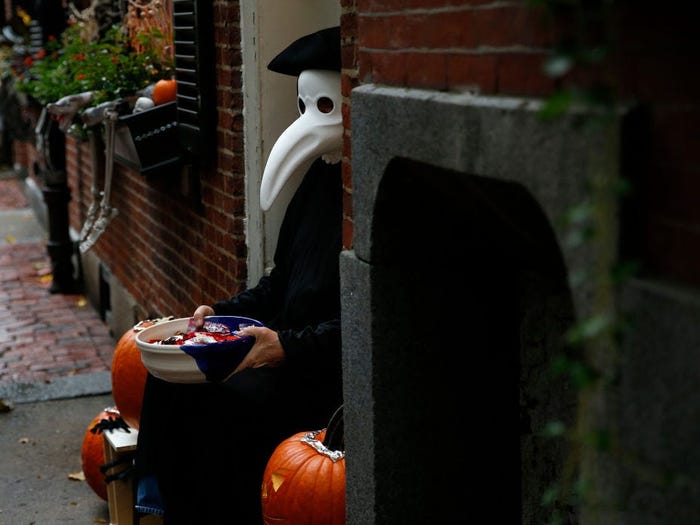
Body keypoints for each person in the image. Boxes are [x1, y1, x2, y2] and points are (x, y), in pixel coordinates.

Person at [135, 26, 344, 525]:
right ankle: (167, 509)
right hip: (275, 356)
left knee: (215, 409)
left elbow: (364, 323)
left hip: (317, 382)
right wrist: (218, 314)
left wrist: (286, 348)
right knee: (168, 378)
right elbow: (278, 284)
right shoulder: (318, 178)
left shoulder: (361, 196)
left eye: (324, 107)